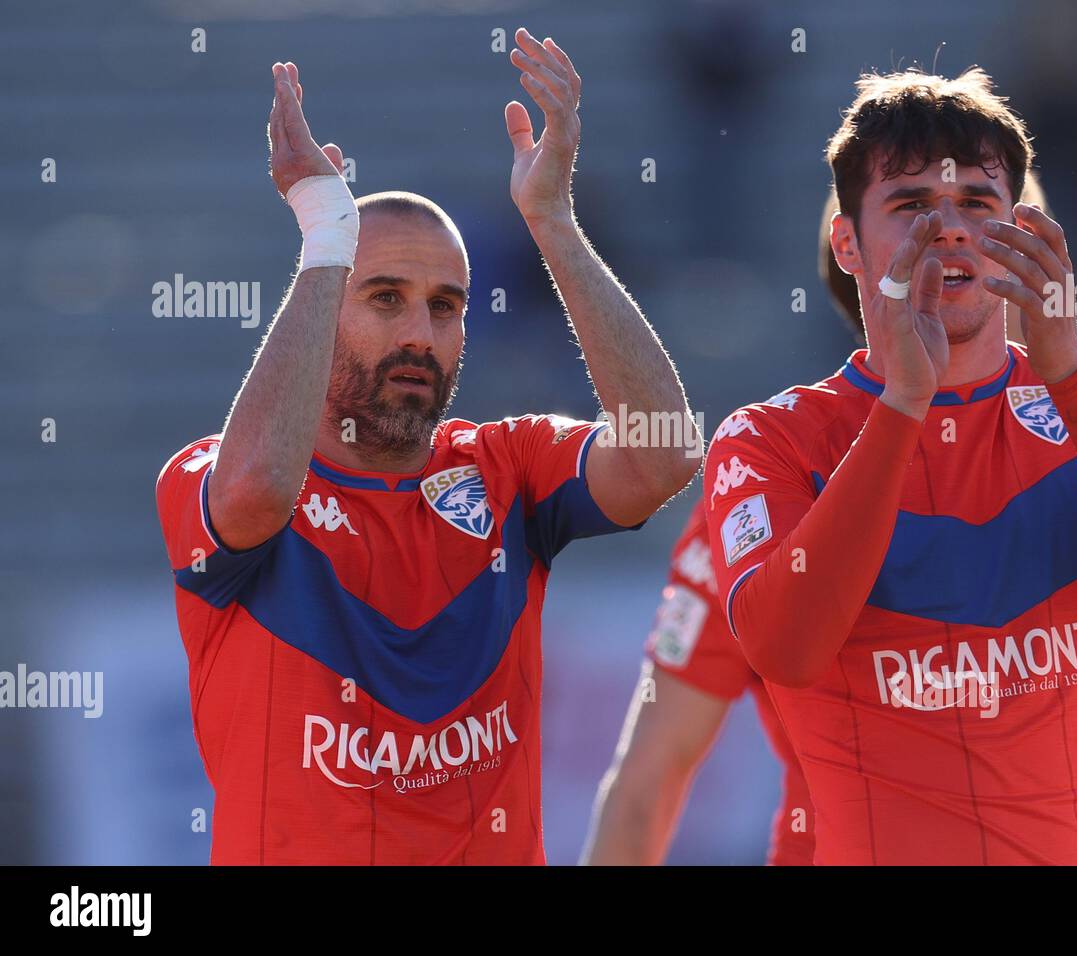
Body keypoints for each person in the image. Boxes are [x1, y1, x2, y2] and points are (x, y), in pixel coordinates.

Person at [155, 31, 699, 865]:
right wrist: (324, 240)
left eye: (445, 307)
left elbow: (665, 455)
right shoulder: (211, 474)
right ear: (321, 307)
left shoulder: (506, 467)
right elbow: (259, 489)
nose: (420, 334)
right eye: (384, 299)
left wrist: (552, 221)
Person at [583, 172, 1077, 867]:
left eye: (1015, 241)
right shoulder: (770, 493)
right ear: (864, 270)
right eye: (940, 241)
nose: (991, 265)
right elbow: (650, 779)